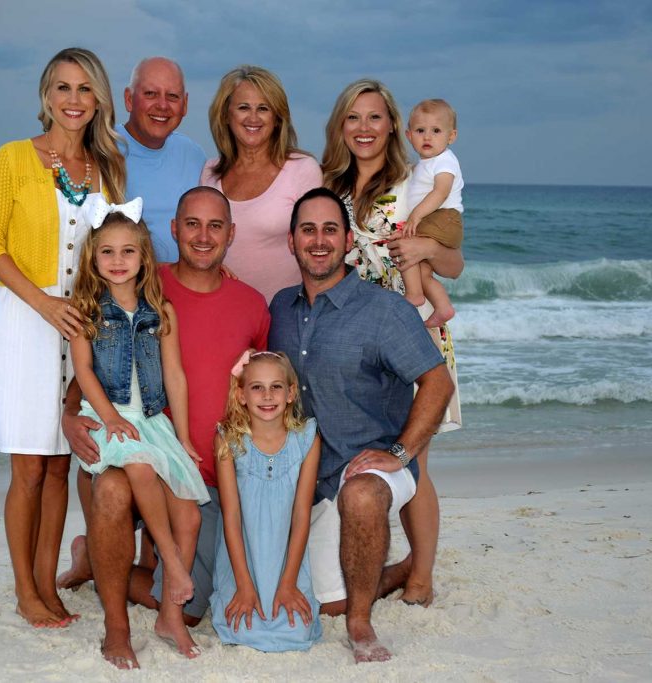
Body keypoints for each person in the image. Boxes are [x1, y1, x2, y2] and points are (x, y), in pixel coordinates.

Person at [61, 186, 270, 669]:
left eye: (215, 226)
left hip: (181, 450)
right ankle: (117, 625)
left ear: (231, 235)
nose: (203, 236)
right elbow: (84, 373)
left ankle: (103, 564)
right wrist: (73, 417)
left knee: (194, 578)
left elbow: (254, 382)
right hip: (121, 436)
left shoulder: (179, 305)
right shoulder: (115, 294)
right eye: (191, 224)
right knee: (120, 481)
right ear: (173, 231)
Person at [268, 187, 454, 663]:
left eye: (330, 230)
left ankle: (361, 623)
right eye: (307, 230)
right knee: (323, 601)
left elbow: (437, 382)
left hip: (372, 466)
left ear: (347, 240)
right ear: (291, 241)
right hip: (311, 472)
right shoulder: (279, 309)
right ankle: (392, 572)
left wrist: (401, 453)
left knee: (363, 494)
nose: (318, 240)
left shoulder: (384, 310)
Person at [0, 47, 124, 628]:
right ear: (46, 96)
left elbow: (114, 252)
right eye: (62, 87)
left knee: (63, 465)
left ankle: (46, 582)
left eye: (85, 89)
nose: (73, 99)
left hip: (80, 329)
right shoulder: (13, 158)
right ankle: (24, 590)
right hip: (22, 324)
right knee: (29, 469)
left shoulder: (105, 168)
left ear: (98, 99)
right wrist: (43, 305)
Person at [321, 79, 463, 608]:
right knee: (367, 452)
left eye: (375, 117)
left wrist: (425, 243)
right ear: (341, 125)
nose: (364, 128)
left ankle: (420, 572)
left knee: (414, 458)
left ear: (392, 126)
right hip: (350, 338)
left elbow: (453, 263)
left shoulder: (415, 181)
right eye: (353, 117)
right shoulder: (328, 184)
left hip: (409, 330)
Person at [69, 197, 208, 652]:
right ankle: (168, 557)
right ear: (93, 257)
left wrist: (183, 437)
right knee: (141, 467)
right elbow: (84, 372)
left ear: (144, 256)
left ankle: (171, 618)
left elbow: (175, 376)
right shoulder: (86, 310)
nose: (117, 261)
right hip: (110, 418)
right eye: (107, 252)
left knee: (188, 511)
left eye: (128, 251)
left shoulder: (160, 311)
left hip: (151, 421)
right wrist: (108, 417)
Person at [211, 350, 322, 652]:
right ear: (241, 394)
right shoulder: (228, 439)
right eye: (257, 387)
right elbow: (231, 516)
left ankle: (286, 586)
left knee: (296, 632)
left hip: (286, 559)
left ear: (290, 393)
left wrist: (288, 583)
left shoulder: (307, 439)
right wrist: (245, 585)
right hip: (242, 559)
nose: (267, 395)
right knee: (239, 627)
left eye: (276, 386)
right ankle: (241, 588)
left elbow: (301, 515)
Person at [200, 65, 322, 303]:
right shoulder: (210, 174)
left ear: (277, 118)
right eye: (244, 107)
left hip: (289, 314)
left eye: (263, 108)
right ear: (226, 114)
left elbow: (319, 248)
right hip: (226, 310)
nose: (253, 118)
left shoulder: (303, 169)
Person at [117, 57, 206, 263]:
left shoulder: (193, 155)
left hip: (185, 288)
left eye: (173, 96)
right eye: (151, 94)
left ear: (185, 105)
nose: (163, 105)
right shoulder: (102, 151)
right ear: (129, 99)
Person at [400, 98, 465, 328]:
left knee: (403, 241)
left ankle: (414, 294)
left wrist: (415, 216)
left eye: (436, 130)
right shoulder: (422, 165)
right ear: (409, 136)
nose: (427, 137)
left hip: (443, 217)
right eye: (420, 130)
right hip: (436, 219)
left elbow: (440, 191)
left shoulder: (445, 161)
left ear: (451, 136)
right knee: (423, 270)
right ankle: (443, 306)